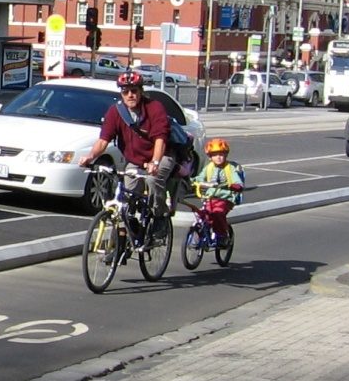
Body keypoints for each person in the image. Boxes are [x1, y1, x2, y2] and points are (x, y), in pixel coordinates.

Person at [78, 70, 175, 238]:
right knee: (126, 197)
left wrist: (155, 162)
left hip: (162, 155)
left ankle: (160, 216)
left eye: (134, 91)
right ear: (121, 93)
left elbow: (160, 139)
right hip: (136, 161)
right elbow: (103, 141)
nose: (130, 95)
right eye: (125, 92)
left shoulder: (154, 108)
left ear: (141, 91)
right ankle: (123, 240)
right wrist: (90, 156)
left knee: (153, 179)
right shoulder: (115, 112)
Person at [198, 138, 244, 248]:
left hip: (226, 198)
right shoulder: (208, 168)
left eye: (221, 154)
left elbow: (237, 181)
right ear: (210, 157)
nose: (218, 157)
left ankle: (223, 235)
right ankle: (201, 235)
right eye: (215, 155)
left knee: (218, 213)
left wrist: (235, 185)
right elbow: (199, 178)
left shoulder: (230, 168)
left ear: (226, 155)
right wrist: (192, 181)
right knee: (202, 214)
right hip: (210, 197)